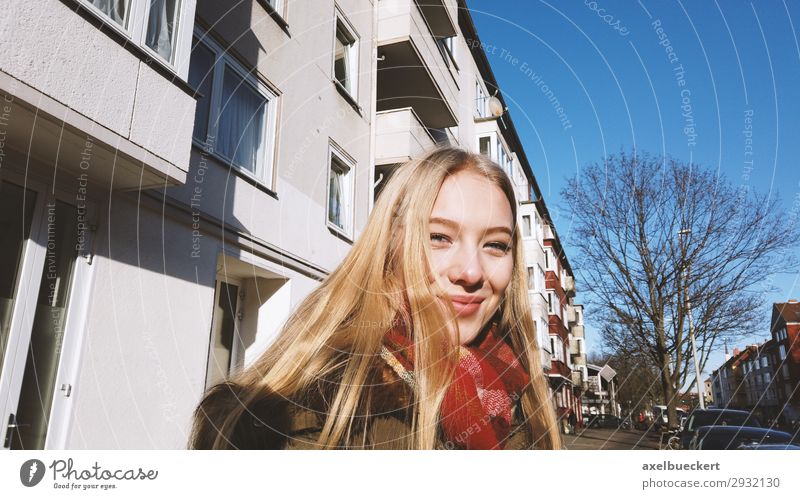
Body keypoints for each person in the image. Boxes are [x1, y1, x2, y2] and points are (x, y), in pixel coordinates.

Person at [189, 147, 562, 450]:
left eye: (496, 245)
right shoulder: (321, 408)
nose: (471, 272)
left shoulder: (519, 387)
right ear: (390, 245)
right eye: (439, 237)